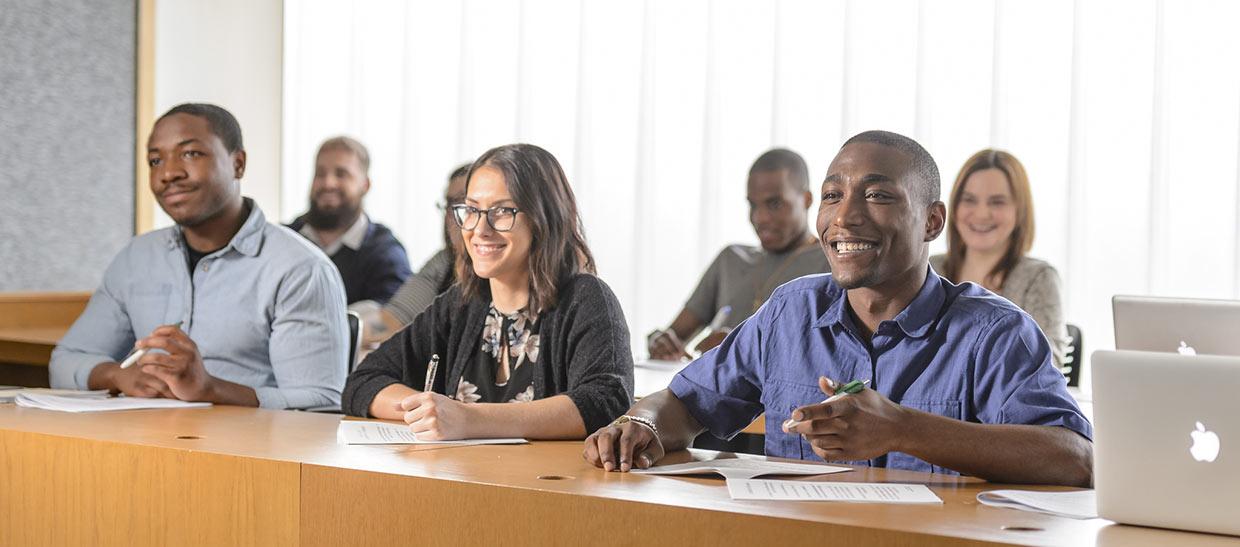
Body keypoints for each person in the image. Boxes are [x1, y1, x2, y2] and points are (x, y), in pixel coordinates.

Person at [584, 131, 1093, 487]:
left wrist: (903, 428)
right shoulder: (791, 312)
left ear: (933, 221)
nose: (845, 217)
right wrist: (644, 425)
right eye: (832, 196)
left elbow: (1073, 457)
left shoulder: (994, 332)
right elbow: (684, 403)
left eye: (876, 195)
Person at [49, 103, 349, 410]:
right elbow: (65, 361)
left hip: (247, 452)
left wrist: (210, 389)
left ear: (238, 164)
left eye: (191, 154)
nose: (168, 173)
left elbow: (321, 402)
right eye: (155, 160)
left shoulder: (299, 268)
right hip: (146, 442)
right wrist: (119, 376)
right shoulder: (136, 258)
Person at [342, 144, 633, 440]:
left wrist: (468, 419)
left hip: (543, 484)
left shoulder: (587, 300)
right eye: (471, 210)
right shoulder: (463, 304)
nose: (480, 229)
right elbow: (364, 382)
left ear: (544, 218)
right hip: (465, 481)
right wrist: (428, 412)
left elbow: (606, 404)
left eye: (502, 211)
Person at [648, 148, 828, 360]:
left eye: (774, 204)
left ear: (806, 200)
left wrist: (741, 346)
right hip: (710, 390)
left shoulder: (830, 264)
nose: (760, 218)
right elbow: (675, 334)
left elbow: (825, 354)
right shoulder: (731, 259)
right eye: (753, 205)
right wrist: (659, 340)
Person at [930, 149, 1068, 366]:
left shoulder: (1038, 278)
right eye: (969, 200)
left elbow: (1048, 363)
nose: (982, 213)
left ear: (1019, 211)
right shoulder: (930, 269)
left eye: (997, 202)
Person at [287, 136, 412, 305]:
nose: (328, 183)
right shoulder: (284, 240)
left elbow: (392, 321)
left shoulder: (386, 254)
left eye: (341, 174)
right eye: (320, 173)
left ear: (365, 185)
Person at [355, 163, 470, 346]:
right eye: (449, 205)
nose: (452, 216)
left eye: (464, 204)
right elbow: (390, 321)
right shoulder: (443, 261)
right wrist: (343, 331)